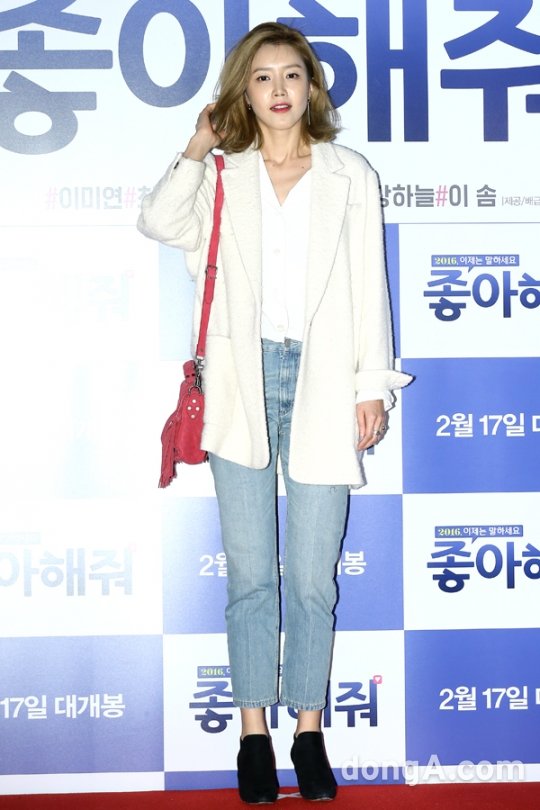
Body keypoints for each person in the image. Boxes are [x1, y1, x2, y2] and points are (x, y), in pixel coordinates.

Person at [138, 21, 411, 804]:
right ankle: (253, 735)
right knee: (252, 574)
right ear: (243, 91)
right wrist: (198, 146)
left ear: (312, 86)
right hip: (240, 380)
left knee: (315, 578)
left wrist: (370, 385)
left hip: (324, 379)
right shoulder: (223, 174)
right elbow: (159, 222)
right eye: (262, 77)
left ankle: (309, 731)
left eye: (292, 74)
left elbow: (369, 284)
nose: (279, 89)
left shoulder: (349, 174)